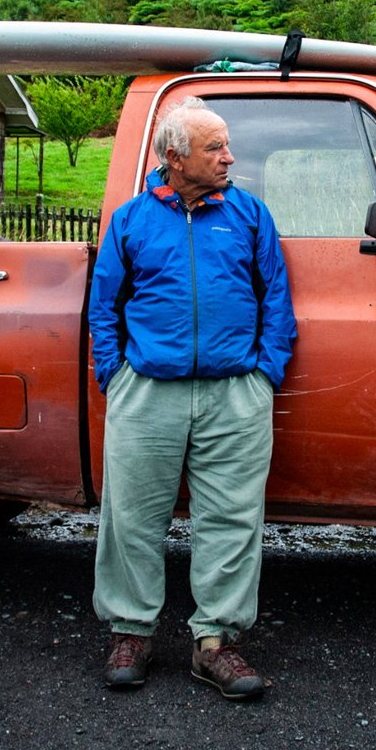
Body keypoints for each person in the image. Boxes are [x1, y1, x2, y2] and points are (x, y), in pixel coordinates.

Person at [88, 96, 296, 700]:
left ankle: (217, 644)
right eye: (215, 147)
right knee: (131, 517)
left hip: (236, 392)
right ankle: (131, 631)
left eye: (226, 145)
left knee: (231, 519)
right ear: (175, 157)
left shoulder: (250, 215)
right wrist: (115, 375)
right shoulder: (130, 221)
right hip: (147, 390)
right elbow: (106, 307)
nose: (230, 157)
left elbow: (275, 300)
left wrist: (264, 375)